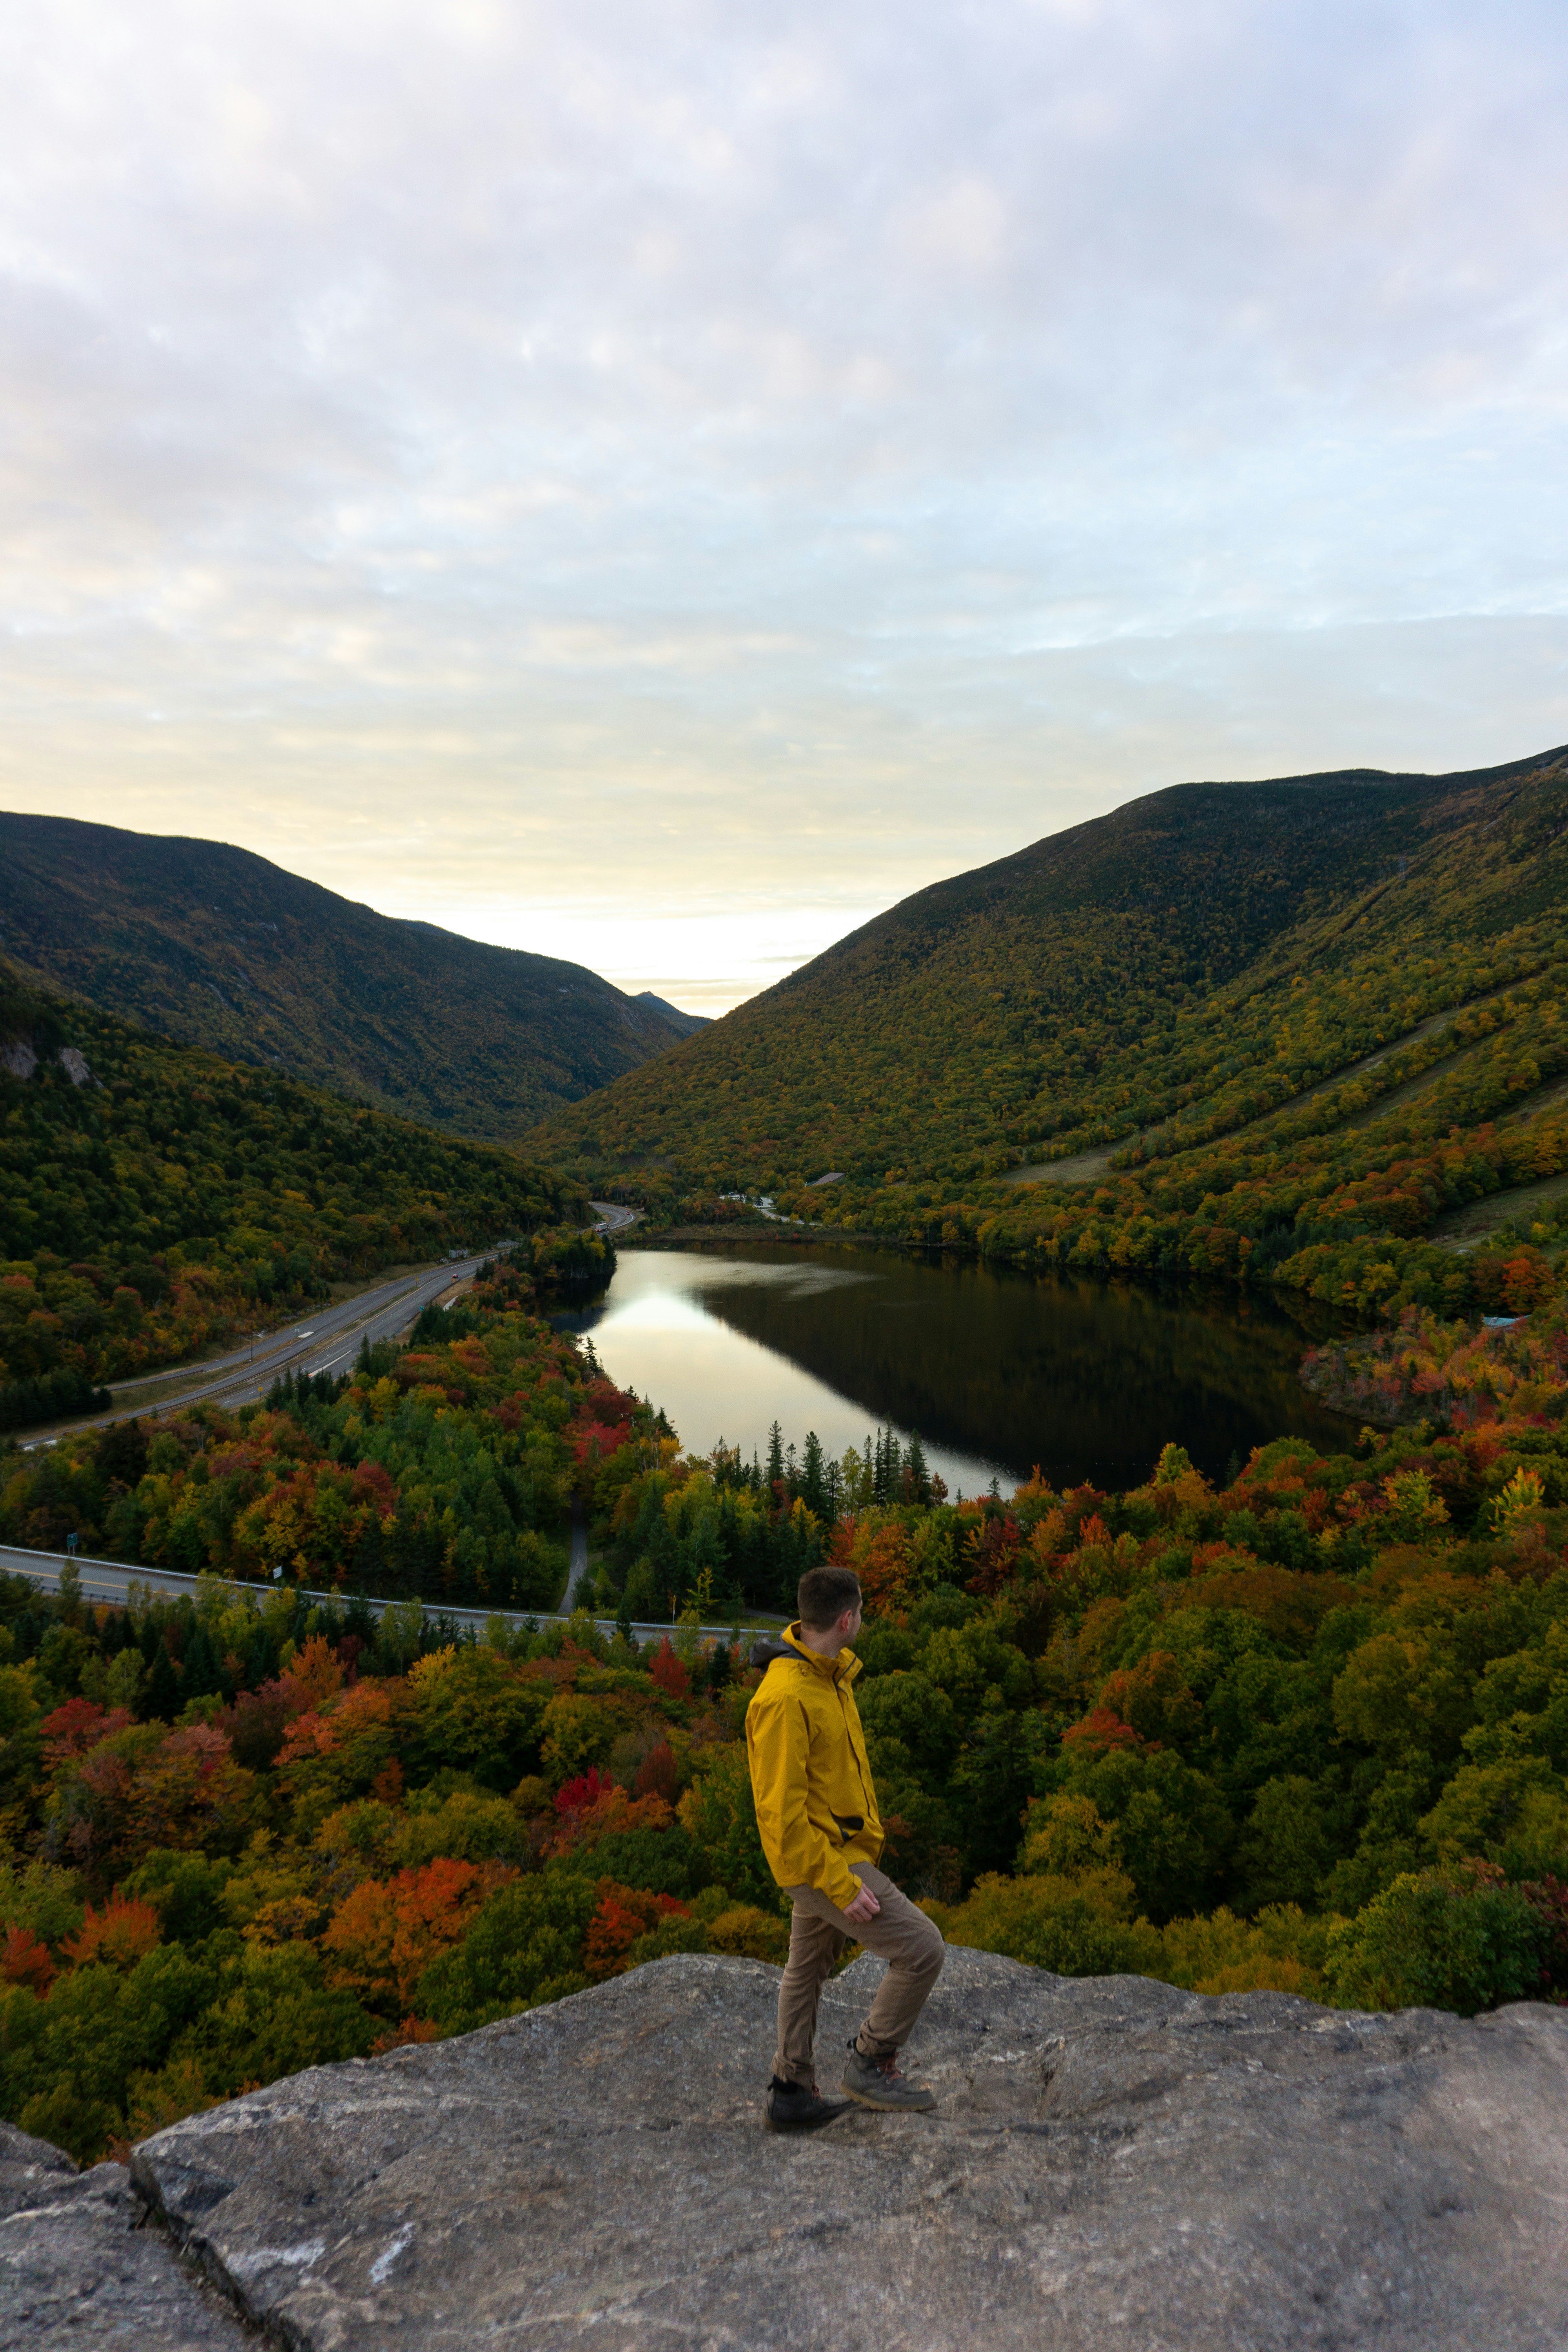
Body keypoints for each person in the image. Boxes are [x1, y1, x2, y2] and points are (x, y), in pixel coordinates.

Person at [746, 1563, 946, 2132]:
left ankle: (789, 2090)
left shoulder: (828, 1676)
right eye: (861, 1614)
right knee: (923, 1950)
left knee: (806, 1970)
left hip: (834, 1854)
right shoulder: (787, 1697)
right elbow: (781, 1818)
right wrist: (839, 1881)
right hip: (822, 1863)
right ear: (846, 1618)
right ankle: (870, 2061)